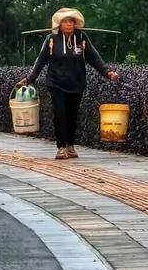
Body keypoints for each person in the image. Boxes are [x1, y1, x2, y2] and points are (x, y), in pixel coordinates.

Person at [17, 8, 119, 160]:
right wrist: (29, 79)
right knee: (60, 113)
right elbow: (41, 61)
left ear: (75, 24)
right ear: (59, 24)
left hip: (76, 82)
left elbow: (93, 57)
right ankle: (61, 147)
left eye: (71, 21)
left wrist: (107, 72)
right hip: (55, 82)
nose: (68, 25)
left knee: (72, 115)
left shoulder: (81, 38)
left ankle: (70, 145)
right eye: (65, 21)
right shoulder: (52, 39)